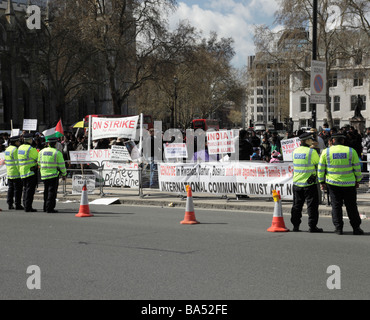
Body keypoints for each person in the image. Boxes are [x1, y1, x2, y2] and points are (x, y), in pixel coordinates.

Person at [318, 133, 364, 235]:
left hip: (333, 183)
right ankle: (356, 228)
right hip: (349, 184)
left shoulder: (326, 152)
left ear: (333, 141)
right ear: (343, 141)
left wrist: (321, 181)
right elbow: (357, 167)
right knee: (351, 206)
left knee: (336, 206)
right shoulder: (351, 151)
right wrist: (358, 180)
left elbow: (321, 168)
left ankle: (338, 228)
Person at [290, 132, 323, 233]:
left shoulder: (294, 151)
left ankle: (295, 226)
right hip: (309, 183)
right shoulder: (311, 152)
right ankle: (312, 226)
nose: (312, 141)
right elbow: (318, 165)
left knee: (296, 206)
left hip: (297, 183)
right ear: (307, 141)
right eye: (310, 140)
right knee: (312, 206)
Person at [38, 137, 67, 213]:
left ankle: (45, 207)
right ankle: (49, 208)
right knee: (52, 192)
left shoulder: (41, 152)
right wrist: (64, 174)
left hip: (44, 175)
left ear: (48, 143)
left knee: (46, 191)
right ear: (55, 144)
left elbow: (39, 162)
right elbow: (62, 165)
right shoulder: (57, 153)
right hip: (53, 175)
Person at [18, 133, 39, 212]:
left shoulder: (20, 148)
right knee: (30, 191)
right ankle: (28, 207)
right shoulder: (31, 149)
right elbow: (38, 157)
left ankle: (25, 204)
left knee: (25, 190)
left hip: (22, 172)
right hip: (30, 172)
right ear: (30, 140)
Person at [4, 136, 24, 210]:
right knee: (17, 190)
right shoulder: (15, 149)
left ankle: (10, 204)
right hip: (16, 173)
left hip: (9, 172)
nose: (19, 142)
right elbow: (17, 162)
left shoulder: (7, 149)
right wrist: (21, 172)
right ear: (15, 142)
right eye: (18, 141)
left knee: (10, 189)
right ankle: (17, 204)